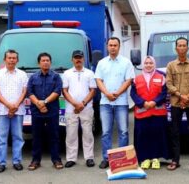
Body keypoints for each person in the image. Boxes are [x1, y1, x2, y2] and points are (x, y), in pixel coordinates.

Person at [95, 37, 135, 169]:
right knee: (106, 132)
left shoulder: (126, 63)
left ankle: (123, 159)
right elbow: (99, 80)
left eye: (115, 45)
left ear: (119, 47)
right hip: (105, 103)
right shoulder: (101, 63)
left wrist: (117, 93)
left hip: (121, 102)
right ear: (107, 47)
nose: (113, 47)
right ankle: (106, 158)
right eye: (110, 45)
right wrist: (106, 93)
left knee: (123, 131)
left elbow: (128, 80)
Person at [165, 37, 189, 171]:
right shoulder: (170, 65)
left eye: (184, 45)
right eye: (179, 45)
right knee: (175, 132)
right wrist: (181, 96)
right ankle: (175, 160)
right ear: (176, 48)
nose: (181, 48)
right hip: (176, 103)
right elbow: (168, 83)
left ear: (188, 48)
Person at [0, 49, 28, 173]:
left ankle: (17, 161)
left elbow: (24, 91)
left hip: (18, 110)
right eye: (9, 58)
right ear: (5, 59)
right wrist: (8, 105)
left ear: (17, 60)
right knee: (2, 138)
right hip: (1, 111)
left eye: (14, 58)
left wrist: (15, 105)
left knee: (18, 137)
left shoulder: (22, 74)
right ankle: (1, 163)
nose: (12, 60)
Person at [27, 52, 63, 171]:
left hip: (52, 111)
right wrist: (38, 103)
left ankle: (56, 159)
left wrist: (45, 102)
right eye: (43, 60)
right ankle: (35, 160)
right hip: (37, 111)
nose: (45, 62)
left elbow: (57, 91)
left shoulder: (56, 76)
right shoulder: (33, 77)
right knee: (37, 136)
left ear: (50, 62)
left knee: (54, 136)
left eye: (48, 60)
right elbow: (30, 92)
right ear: (39, 63)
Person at [130, 56, 168, 170]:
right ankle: (145, 159)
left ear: (154, 64)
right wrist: (143, 103)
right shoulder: (137, 79)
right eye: (146, 63)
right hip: (142, 113)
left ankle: (156, 158)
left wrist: (154, 102)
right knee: (143, 136)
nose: (148, 65)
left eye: (150, 63)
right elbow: (133, 94)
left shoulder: (161, 77)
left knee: (157, 135)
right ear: (143, 65)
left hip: (158, 113)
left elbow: (164, 92)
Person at [62, 50, 97, 168]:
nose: (78, 60)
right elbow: (64, 90)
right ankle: (71, 158)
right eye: (76, 58)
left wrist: (82, 103)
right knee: (71, 134)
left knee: (88, 133)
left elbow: (93, 90)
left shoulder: (90, 73)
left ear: (83, 59)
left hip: (86, 108)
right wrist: (75, 104)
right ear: (72, 59)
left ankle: (89, 158)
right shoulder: (66, 73)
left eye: (80, 58)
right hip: (71, 109)